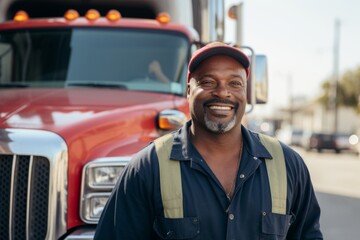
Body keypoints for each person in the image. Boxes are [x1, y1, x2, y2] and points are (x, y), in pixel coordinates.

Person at [94, 42, 323, 239]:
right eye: (208, 82)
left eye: (235, 83)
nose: (223, 92)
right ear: (188, 91)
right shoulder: (147, 168)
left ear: (246, 93)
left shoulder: (288, 165)